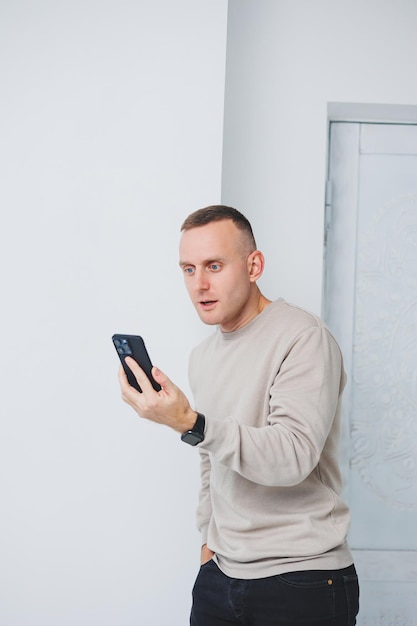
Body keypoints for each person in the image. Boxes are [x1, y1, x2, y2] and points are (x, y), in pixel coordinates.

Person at [118, 205, 360, 625]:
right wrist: (207, 540)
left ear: (254, 265)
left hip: (301, 577)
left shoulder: (304, 338)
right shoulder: (203, 356)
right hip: (221, 574)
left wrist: (191, 422)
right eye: (188, 269)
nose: (200, 284)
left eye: (214, 265)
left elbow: (293, 456)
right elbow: (210, 458)